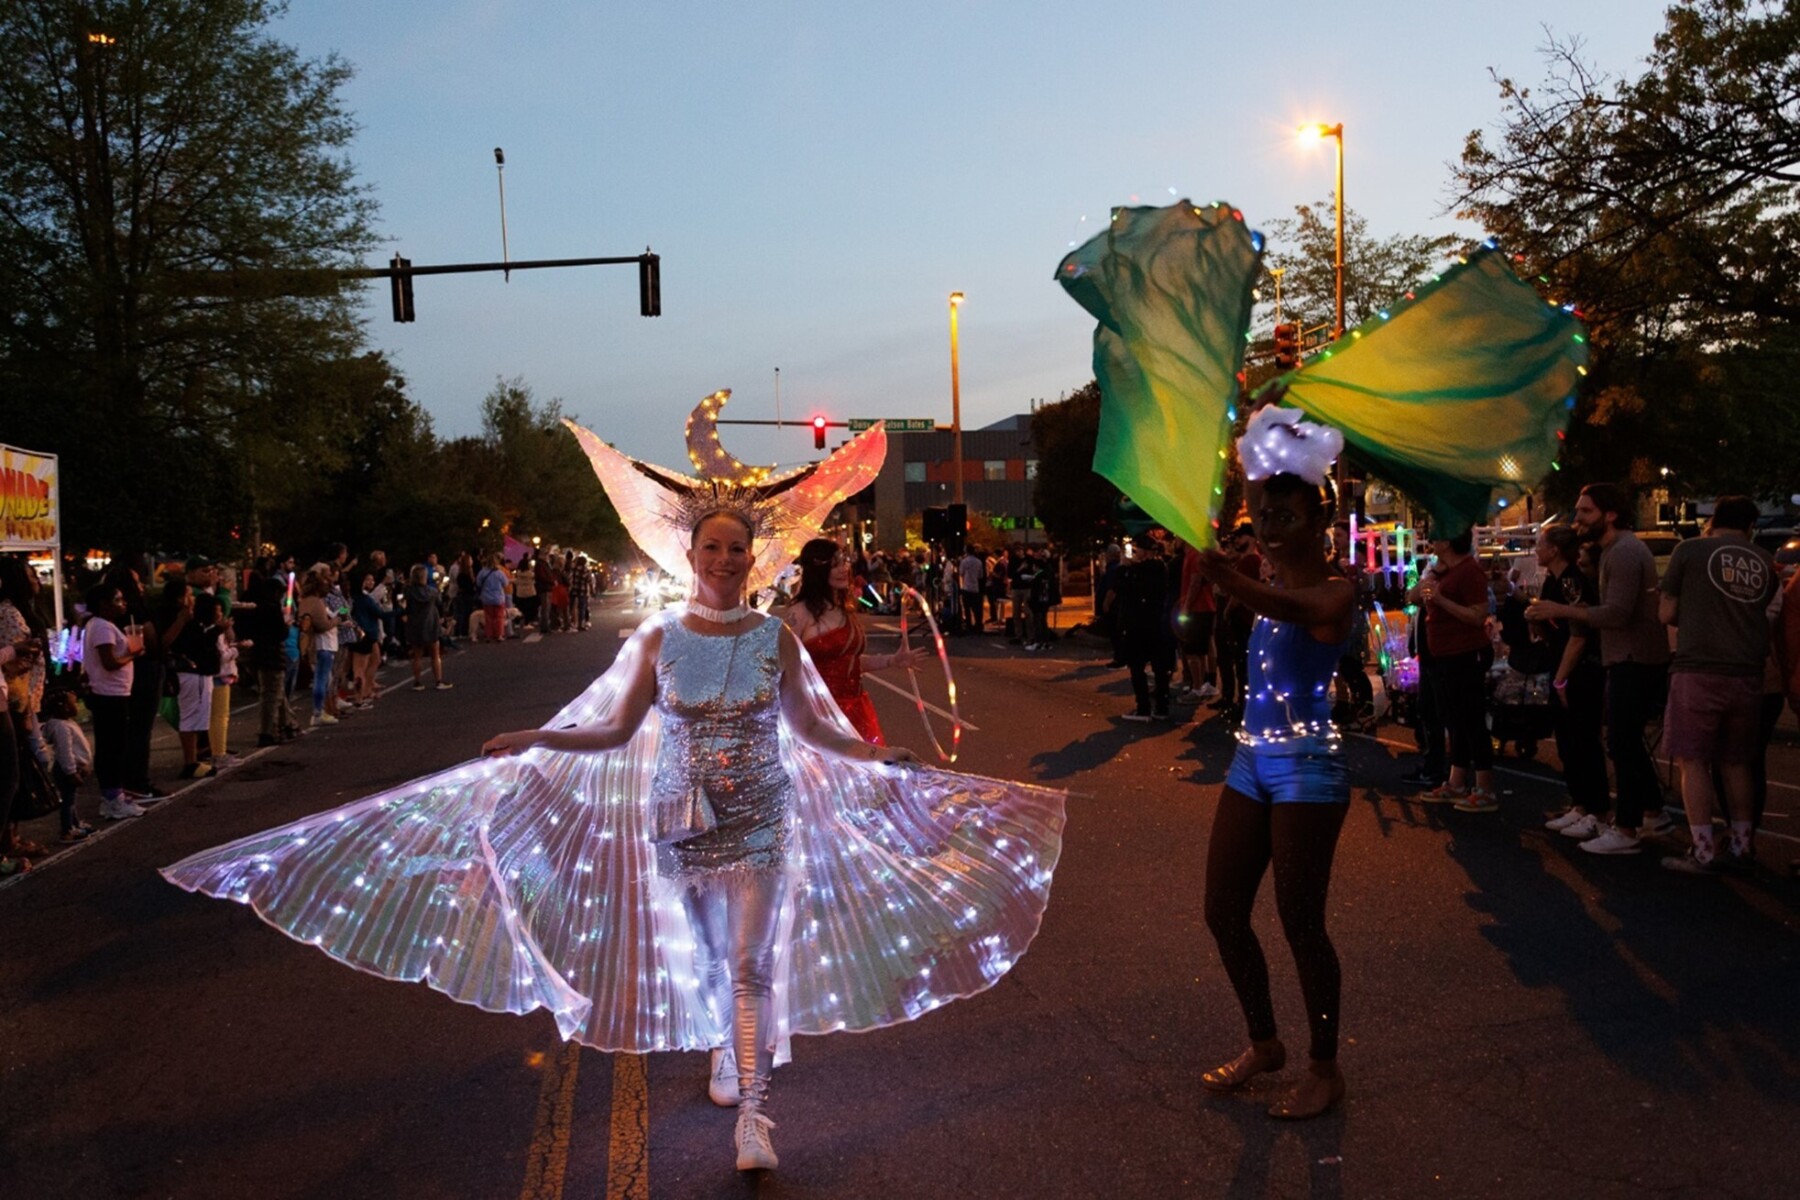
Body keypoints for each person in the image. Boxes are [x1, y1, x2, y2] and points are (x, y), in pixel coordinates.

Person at [164, 495, 1068, 1177]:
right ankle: (728, 1042)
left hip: (760, 811)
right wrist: (533, 738)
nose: (723, 558)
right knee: (716, 957)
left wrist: (877, 753)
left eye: (736, 548)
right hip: (679, 812)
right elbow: (611, 730)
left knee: (751, 963)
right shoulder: (659, 638)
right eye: (710, 546)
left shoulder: (773, 639)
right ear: (691, 553)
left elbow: (812, 728)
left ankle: (753, 1112)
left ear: (754, 560)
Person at [1192, 407, 1356, 1122]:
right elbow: (1259, 592)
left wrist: (1230, 580)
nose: (1267, 523)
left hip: (1308, 770)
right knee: (1222, 911)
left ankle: (1326, 1068)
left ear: (1318, 523)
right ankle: (1266, 1043)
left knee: (1300, 922)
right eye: (1262, 512)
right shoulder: (1267, 580)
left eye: (1284, 514)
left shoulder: (1335, 591)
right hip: (1250, 762)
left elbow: (1289, 607)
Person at [1527, 483, 1673, 854]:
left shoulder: (1624, 552)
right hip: (1624, 658)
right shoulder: (1612, 551)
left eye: (1586, 511)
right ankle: (1654, 813)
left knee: (1620, 743)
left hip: (1634, 659)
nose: (1578, 518)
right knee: (1624, 742)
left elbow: (1617, 614)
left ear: (1610, 515)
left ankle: (1625, 828)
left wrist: (1559, 610)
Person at [1654, 497, 1779, 874]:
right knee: (1737, 762)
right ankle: (1742, 844)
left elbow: (1666, 612)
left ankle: (1703, 850)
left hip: (1698, 670)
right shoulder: (1764, 562)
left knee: (1694, 762)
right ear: (1751, 525)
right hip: (1747, 673)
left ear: (1713, 520)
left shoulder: (1690, 550)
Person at [780, 538, 917, 743]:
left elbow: (850, 663)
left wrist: (891, 661)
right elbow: (780, 669)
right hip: (818, 715)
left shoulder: (845, 609)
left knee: (870, 771)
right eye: (835, 564)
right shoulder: (799, 614)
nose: (844, 569)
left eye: (844, 562)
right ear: (818, 569)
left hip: (857, 710)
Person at [1535, 525, 1611, 839]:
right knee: (1567, 742)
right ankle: (1579, 804)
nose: (1537, 549)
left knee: (1583, 740)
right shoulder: (1552, 581)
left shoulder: (1571, 583)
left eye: (1541, 544)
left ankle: (1598, 810)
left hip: (1579, 671)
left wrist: (1562, 679)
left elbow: (1579, 636)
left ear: (1554, 549)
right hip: (1559, 665)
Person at [1416, 531, 1499, 812]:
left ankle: (1485, 788)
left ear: (1447, 540)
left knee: (1472, 719)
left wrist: (1440, 600)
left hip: (1465, 654)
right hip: (1443, 656)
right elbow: (1412, 595)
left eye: (1435, 535)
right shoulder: (1443, 570)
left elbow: (1477, 615)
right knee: (1454, 720)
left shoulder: (1469, 572)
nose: (1430, 539)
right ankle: (1457, 781)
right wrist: (1430, 579)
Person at [81, 583, 145, 821]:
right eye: (118, 600)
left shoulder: (103, 626)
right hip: (109, 695)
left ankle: (114, 795)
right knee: (112, 748)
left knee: (114, 746)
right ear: (104, 604)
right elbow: (109, 662)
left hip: (115, 693)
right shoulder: (102, 627)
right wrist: (133, 654)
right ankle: (112, 799)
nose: (123, 604)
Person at [1116, 537, 1175, 721]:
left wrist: (1124, 567)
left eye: (1137, 550)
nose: (1135, 553)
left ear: (1146, 551)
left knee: (1137, 666)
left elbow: (1123, 588)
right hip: (1156, 623)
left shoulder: (1138, 571)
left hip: (1138, 624)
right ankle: (1162, 707)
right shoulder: (1162, 568)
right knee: (1160, 668)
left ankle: (1143, 708)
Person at [41, 690, 94, 844]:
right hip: (67, 769)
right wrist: (71, 772)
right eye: (73, 703)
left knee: (71, 798)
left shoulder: (67, 723)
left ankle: (75, 824)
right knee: (68, 800)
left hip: (74, 766)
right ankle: (67, 830)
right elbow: (65, 751)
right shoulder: (62, 727)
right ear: (63, 707)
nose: (77, 706)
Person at [405, 564, 453, 692]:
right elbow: (440, 604)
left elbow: (405, 608)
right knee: (435, 654)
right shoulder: (432, 591)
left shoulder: (409, 592)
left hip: (415, 624)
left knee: (417, 655)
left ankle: (417, 681)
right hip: (430, 622)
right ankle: (438, 680)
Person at [476, 553, 510, 642]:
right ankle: (499, 635)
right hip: (498, 597)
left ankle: (489, 635)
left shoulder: (482, 572)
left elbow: (478, 583)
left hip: (486, 598)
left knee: (488, 617)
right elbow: (506, 583)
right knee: (499, 617)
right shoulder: (499, 573)